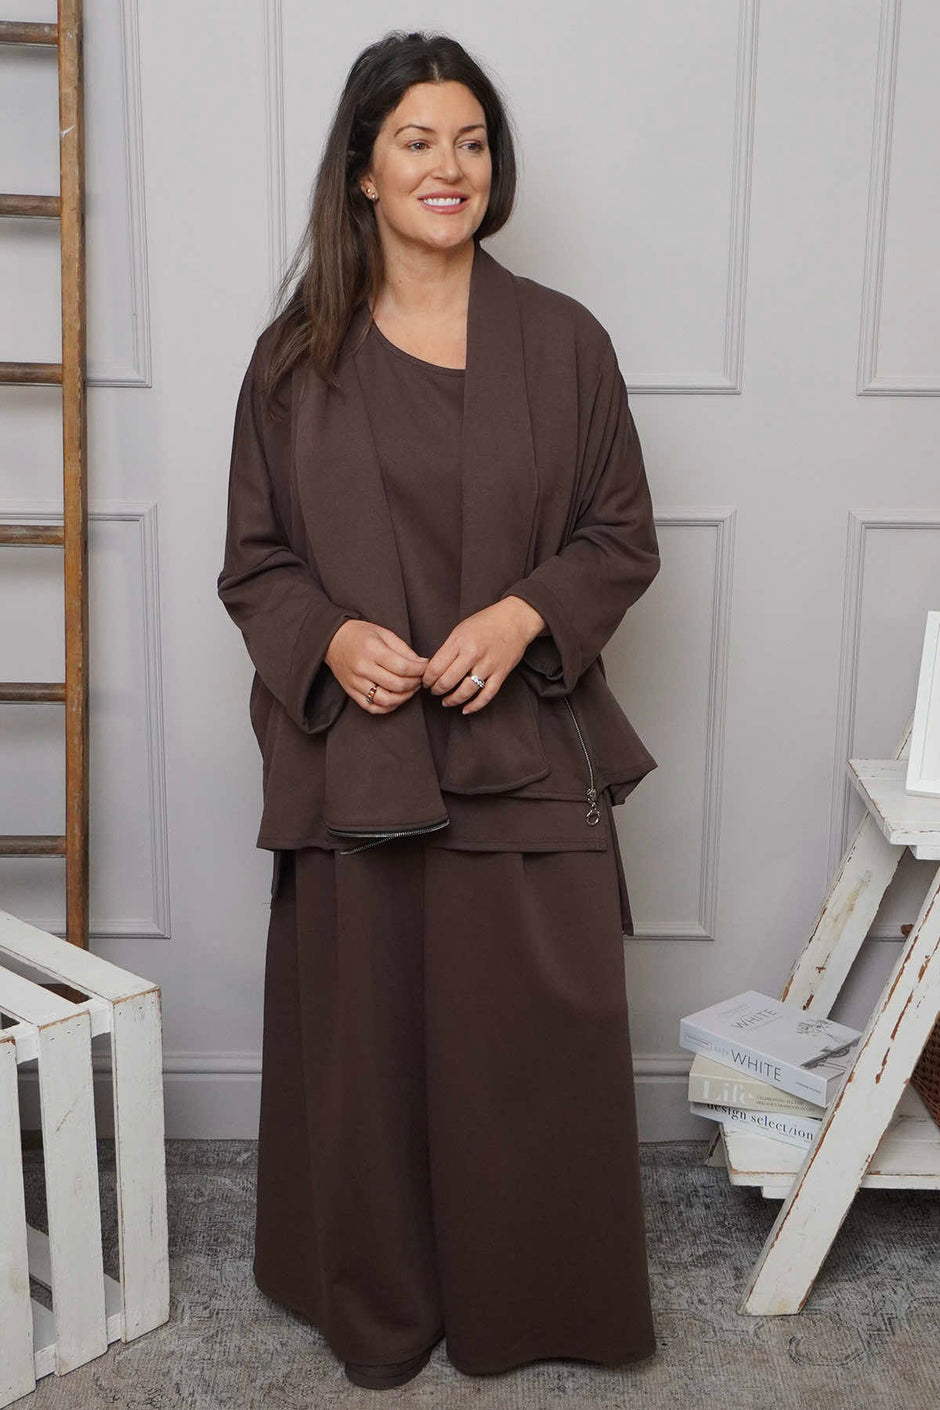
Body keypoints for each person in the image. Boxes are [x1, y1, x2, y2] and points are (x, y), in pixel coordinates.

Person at [217, 29, 661, 1391]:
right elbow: (255, 565)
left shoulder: (566, 343)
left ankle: (535, 1301)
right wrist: (332, 637)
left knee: (527, 1056)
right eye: (417, 141)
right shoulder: (292, 361)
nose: (448, 166)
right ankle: (383, 1302)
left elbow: (620, 536)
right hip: (361, 766)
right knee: (372, 1059)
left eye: (470, 141)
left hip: (522, 753)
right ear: (363, 170)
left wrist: (524, 616)